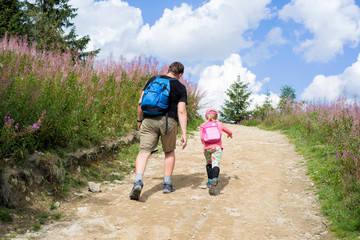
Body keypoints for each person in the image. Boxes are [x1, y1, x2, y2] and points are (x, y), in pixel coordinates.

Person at [129, 62, 188, 201]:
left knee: (143, 152)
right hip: (169, 121)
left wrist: (139, 120)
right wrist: (184, 133)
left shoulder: (153, 80)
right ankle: (167, 184)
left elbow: (140, 102)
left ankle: (138, 182)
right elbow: (181, 110)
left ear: (168, 70)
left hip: (149, 120)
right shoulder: (180, 87)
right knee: (169, 151)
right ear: (180, 74)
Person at [200, 108, 232, 195]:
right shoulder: (219, 124)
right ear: (217, 116)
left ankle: (210, 181)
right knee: (215, 163)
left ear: (206, 116)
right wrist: (230, 134)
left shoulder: (203, 125)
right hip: (217, 147)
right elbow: (229, 131)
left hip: (207, 148)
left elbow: (202, 138)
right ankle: (215, 178)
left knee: (209, 163)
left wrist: (205, 144)